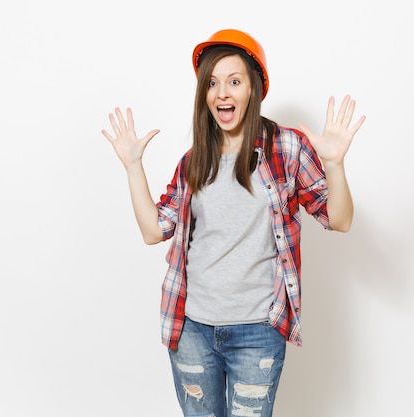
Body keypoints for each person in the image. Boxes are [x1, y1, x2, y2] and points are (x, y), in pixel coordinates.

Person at [102, 28, 365, 417]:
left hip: (257, 331)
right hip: (192, 329)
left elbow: (339, 219)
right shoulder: (194, 161)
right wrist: (133, 167)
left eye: (234, 81)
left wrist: (335, 164)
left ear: (254, 89)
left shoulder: (286, 147)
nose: (222, 93)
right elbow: (153, 230)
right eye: (212, 83)